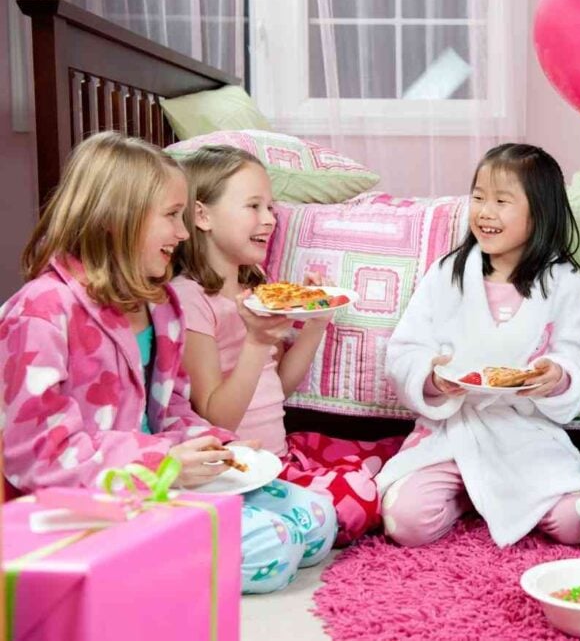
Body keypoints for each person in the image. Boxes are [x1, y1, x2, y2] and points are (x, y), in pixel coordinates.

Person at [0, 132, 336, 593]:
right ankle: (125, 572)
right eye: (172, 216)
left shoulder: (160, 307)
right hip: (81, 502)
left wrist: (220, 447)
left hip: (160, 481)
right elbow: (37, 456)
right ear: (119, 217)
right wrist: (163, 463)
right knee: (270, 547)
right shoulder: (41, 312)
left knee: (318, 518)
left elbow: (173, 410)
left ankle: (158, 553)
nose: (182, 233)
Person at [171, 145, 401, 545]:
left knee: (390, 454)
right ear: (202, 215)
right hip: (241, 469)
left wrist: (316, 323)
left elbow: (278, 386)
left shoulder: (257, 285)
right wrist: (257, 340)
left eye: (271, 208)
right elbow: (216, 417)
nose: (269, 219)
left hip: (281, 453)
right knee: (358, 499)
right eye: (253, 206)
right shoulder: (190, 298)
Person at [376, 143, 580, 547]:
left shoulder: (565, 282)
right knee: (405, 522)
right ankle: (471, 491)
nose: (484, 212)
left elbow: (576, 355)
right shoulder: (448, 273)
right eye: (478, 197)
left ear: (540, 211)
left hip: (524, 433)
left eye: (501, 201)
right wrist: (432, 378)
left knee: (577, 522)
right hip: (454, 429)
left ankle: (491, 491)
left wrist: (557, 376)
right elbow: (406, 349)